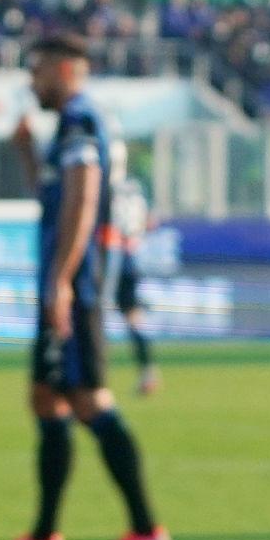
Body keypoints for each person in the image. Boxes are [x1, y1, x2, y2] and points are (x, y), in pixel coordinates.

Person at [0, 35, 173, 540]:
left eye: (39, 69)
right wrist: (26, 153)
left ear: (68, 69)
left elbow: (84, 197)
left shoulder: (80, 119)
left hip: (80, 283)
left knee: (89, 398)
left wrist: (64, 280)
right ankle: (45, 538)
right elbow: (54, 196)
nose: (32, 80)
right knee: (45, 397)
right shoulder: (74, 123)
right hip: (70, 277)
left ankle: (146, 533)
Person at [106, 146, 158, 396]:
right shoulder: (135, 188)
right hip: (131, 256)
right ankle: (148, 372)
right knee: (133, 317)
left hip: (108, 256)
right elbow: (150, 221)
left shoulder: (103, 187)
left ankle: (92, 378)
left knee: (94, 318)